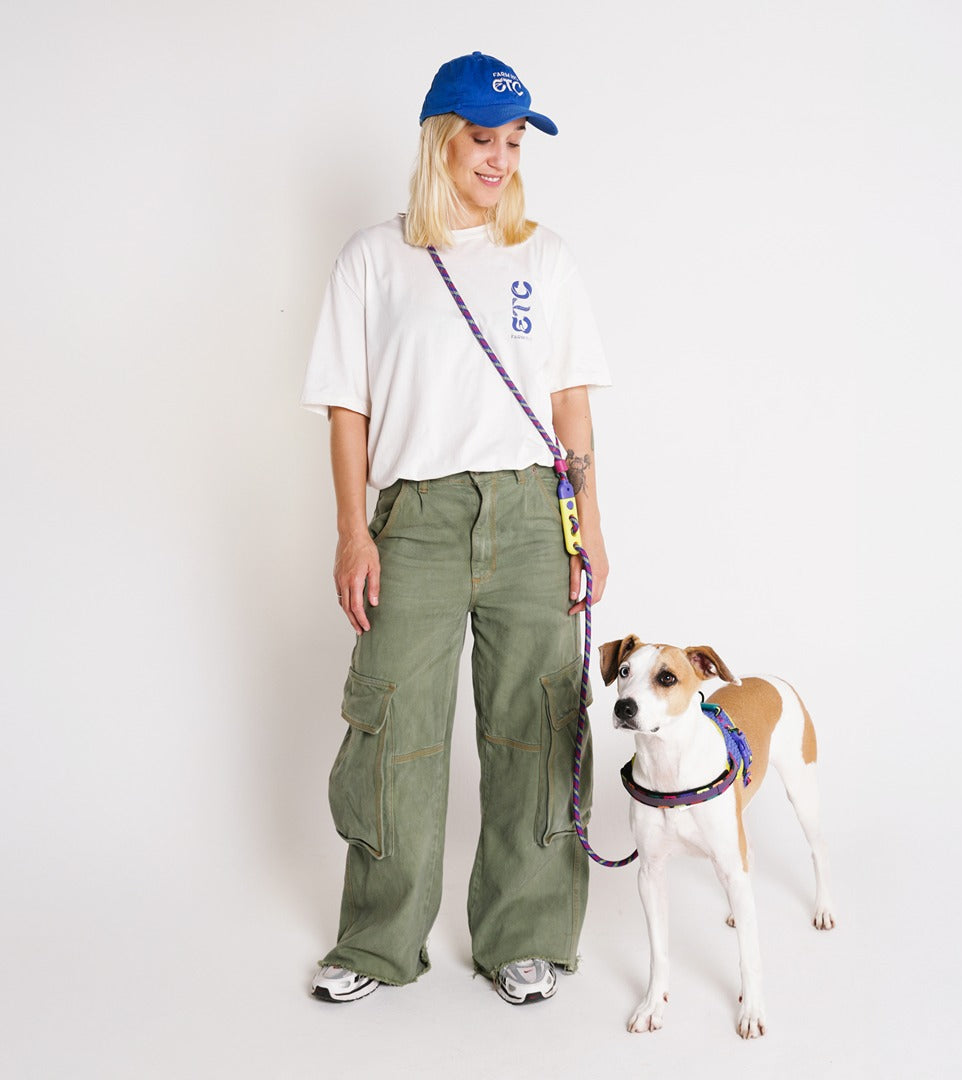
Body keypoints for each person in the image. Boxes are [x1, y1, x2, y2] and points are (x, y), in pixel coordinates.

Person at [300, 51, 611, 1006]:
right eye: (483, 138)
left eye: (514, 142)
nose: (500, 158)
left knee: (538, 726)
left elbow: (570, 404)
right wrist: (353, 532)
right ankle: (377, 942)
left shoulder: (544, 256)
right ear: (441, 140)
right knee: (393, 726)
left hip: (532, 514)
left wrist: (590, 529)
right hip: (417, 519)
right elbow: (346, 407)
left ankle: (525, 936)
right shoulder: (372, 258)